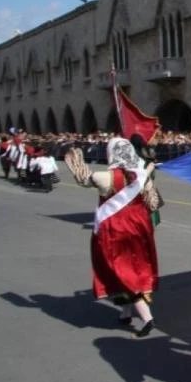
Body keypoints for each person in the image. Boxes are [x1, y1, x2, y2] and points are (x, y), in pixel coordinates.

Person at [64, 138, 160, 336]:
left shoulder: (104, 176)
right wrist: (146, 175)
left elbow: (83, 179)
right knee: (135, 266)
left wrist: (76, 162)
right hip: (139, 227)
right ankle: (126, 313)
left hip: (115, 229)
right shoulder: (143, 175)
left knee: (121, 270)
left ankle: (147, 317)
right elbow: (153, 204)